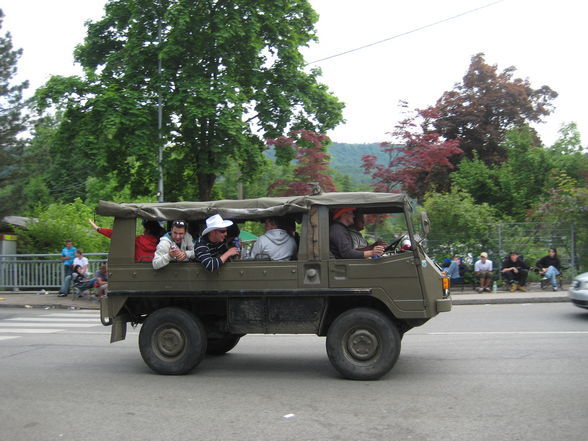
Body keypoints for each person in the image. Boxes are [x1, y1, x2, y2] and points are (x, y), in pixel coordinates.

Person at [89, 218, 164, 262]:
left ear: (147, 230)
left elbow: (118, 235)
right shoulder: (162, 241)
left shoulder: (138, 240)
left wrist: (99, 229)